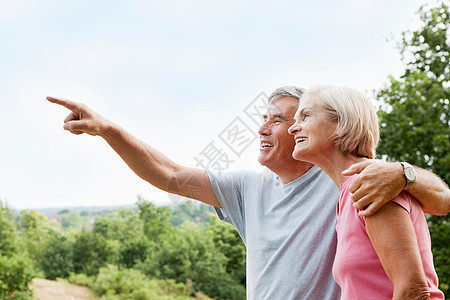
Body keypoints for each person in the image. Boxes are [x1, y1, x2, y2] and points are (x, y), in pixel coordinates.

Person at [47, 87, 449, 300]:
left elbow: (440, 204)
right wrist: (107, 129)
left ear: (333, 128)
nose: (268, 128)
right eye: (265, 118)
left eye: (284, 119)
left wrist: (404, 172)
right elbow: (169, 175)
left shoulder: (361, 179)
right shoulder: (248, 188)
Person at [288, 85, 446, 299]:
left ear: (341, 123)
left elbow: (412, 290)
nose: (293, 128)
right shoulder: (347, 192)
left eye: (305, 116)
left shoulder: (372, 184)